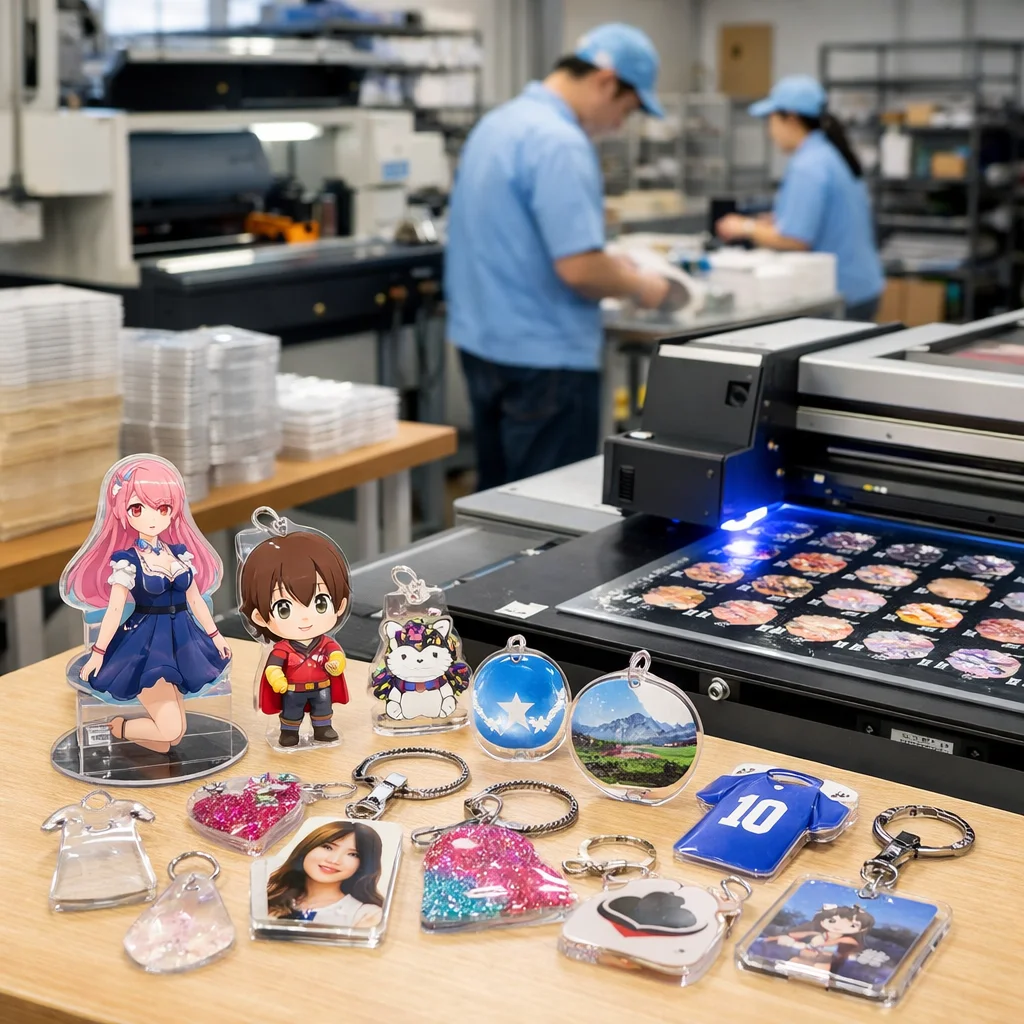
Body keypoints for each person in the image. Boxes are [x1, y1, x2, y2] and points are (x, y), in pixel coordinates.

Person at [446, 23, 672, 491]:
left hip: (482, 345)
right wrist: (641, 285)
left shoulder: (498, 123)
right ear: (606, 82)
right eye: (627, 109)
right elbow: (580, 268)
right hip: (545, 361)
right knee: (546, 511)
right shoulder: (561, 143)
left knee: (498, 503)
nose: (619, 125)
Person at [62, 455, 232, 754]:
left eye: (162, 508)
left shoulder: (179, 554)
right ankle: (119, 728)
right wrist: (98, 652)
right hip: (147, 644)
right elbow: (115, 610)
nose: (152, 517)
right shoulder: (127, 561)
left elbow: (194, 600)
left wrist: (215, 636)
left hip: (184, 642)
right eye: (138, 509)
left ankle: (140, 741)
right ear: (122, 511)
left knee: (172, 740)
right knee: (171, 730)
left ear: (173, 510)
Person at [715, 75, 884, 321]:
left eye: (771, 120)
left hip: (840, 291)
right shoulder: (827, 153)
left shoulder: (808, 165)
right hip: (862, 285)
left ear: (791, 119)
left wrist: (744, 227)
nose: (769, 131)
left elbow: (795, 240)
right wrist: (777, 220)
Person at [239, 530, 351, 747]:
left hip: (322, 686)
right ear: (259, 617)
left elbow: (336, 655)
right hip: (292, 690)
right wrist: (277, 679)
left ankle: (323, 728)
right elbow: (273, 667)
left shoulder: (326, 644)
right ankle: (289, 732)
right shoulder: (283, 648)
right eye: (284, 608)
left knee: (323, 709)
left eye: (320, 603)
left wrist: (337, 664)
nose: (305, 617)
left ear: (340, 605)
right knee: (291, 712)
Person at [267, 821, 385, 928]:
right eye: (327, 847)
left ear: (363, 865)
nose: (334, 860)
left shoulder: (366, 914)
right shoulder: (273, 895)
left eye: (353, 854)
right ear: (307, 848)